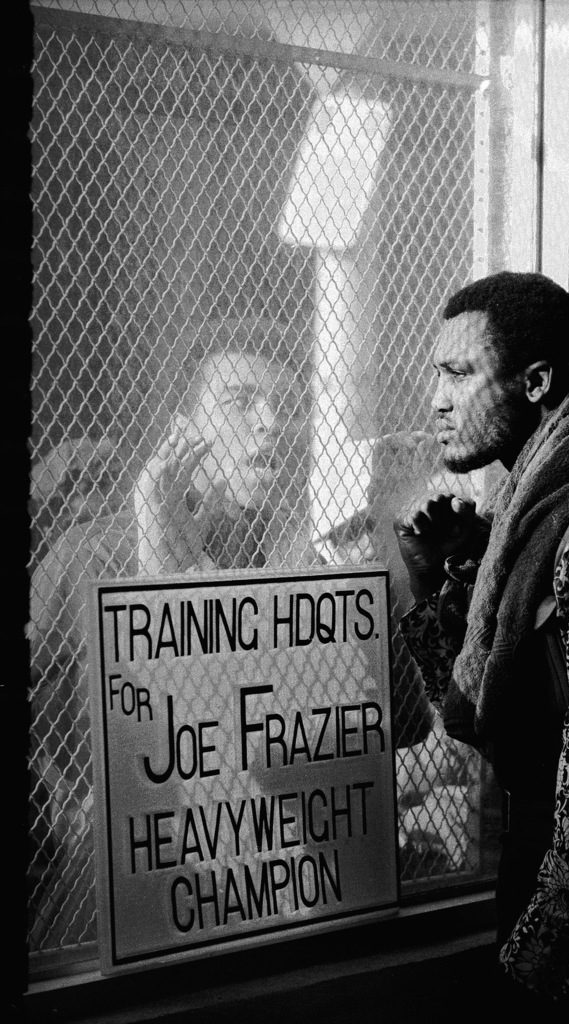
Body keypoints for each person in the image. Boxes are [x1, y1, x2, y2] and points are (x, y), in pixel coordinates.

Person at [393, 271, 569, 1012]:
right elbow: (502, 730)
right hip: (550, 905)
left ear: (535, 382)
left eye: (459, 375)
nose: (437, 399)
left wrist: (526, 975)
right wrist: (442, 586)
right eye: (437, 374)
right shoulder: (534, 514)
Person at [28, 317, 315, 947]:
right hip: (114, 880)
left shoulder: (279, 560)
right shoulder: (88, 556)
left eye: (287, 406)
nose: (272, 423)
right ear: (183, 423)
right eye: (242, 401)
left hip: (253, 880)